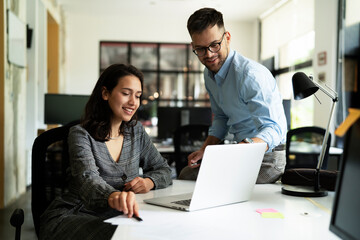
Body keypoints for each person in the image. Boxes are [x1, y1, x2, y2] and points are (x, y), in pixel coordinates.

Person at [40, 64, 173, 239]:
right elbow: (88, 180)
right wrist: (113, 196)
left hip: (119, 216)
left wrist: (150, 181)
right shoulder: (81, 134)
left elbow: (164, 170)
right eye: (126, 93)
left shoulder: (136, 132)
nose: (133, 102)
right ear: (105, 93)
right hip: (74, 214)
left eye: (138, 96)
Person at [178, 8, 287, 183]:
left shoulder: (251, 75)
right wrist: (206, 149)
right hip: (238, 153)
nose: (209, 54)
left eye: (215, 45)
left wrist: (242, 150)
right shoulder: (209, 75)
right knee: (187, 176)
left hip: (267, 157)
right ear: (194, 47)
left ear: (227, 37)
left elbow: (275, 129)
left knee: (226, 186)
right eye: (200, 49)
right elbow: (221, 118)